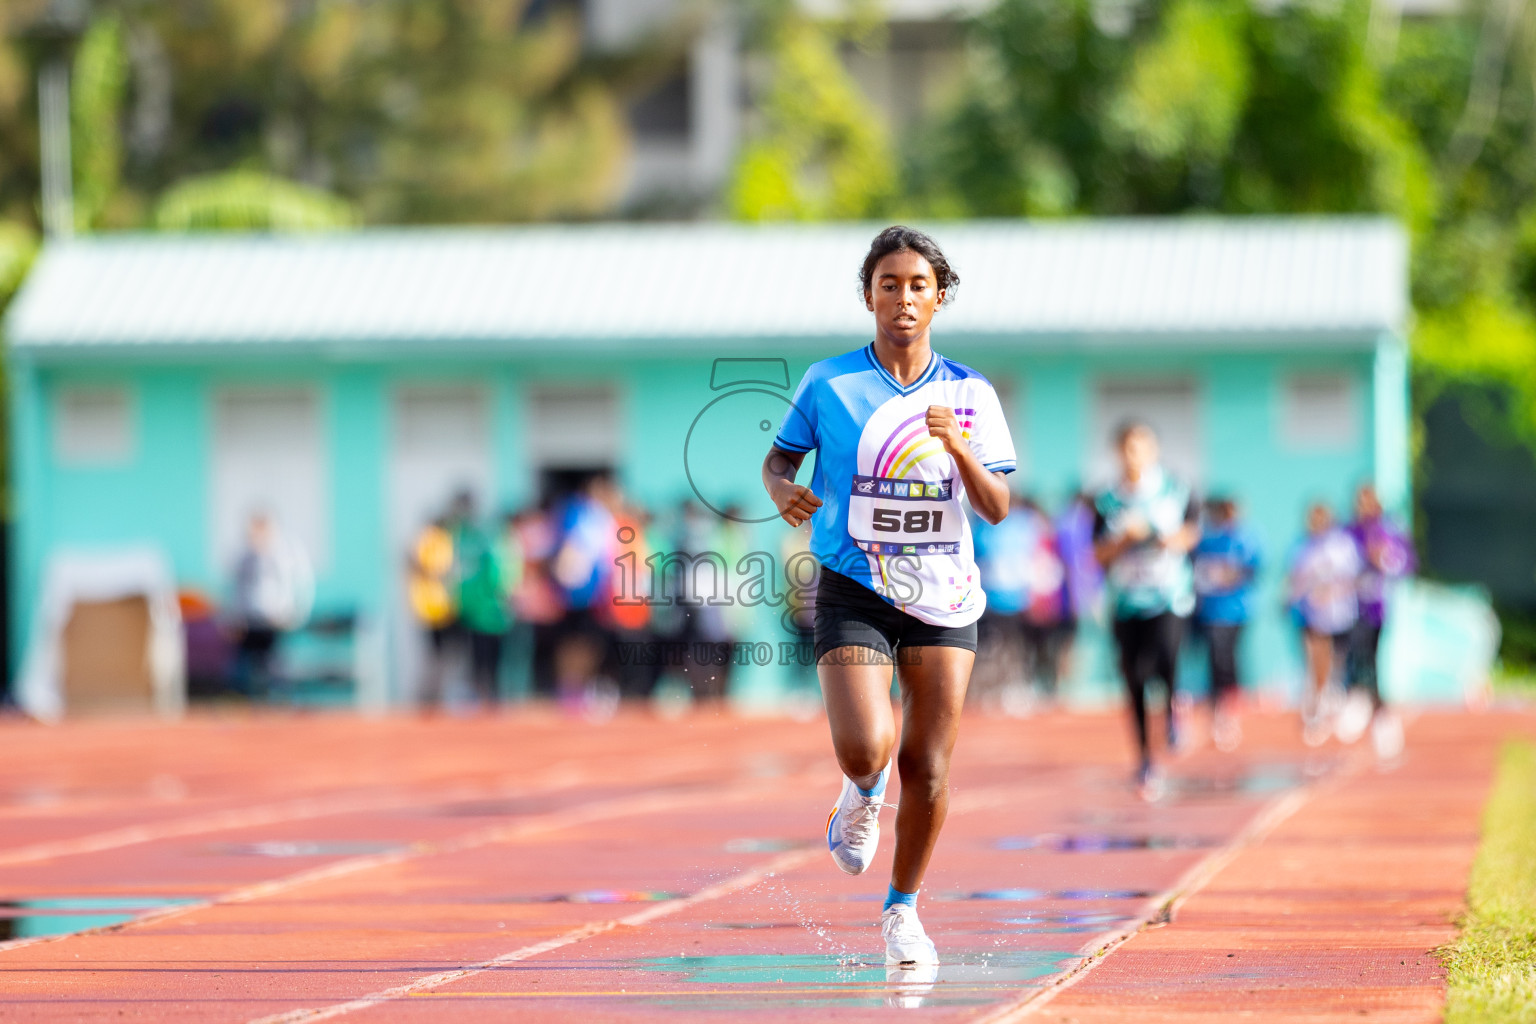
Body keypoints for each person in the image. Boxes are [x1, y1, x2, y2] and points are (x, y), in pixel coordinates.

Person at [762, 226, 1016, 970]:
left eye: (917, 285)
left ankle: (903, 912)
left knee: (929, 766)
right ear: (868, 295)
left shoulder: (970, 391)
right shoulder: (828, 382)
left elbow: (997, 506)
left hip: (943, 594)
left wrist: (959, 445)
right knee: (866, 746)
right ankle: (860, 791)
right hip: (853, 582)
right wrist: (783, 491)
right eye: (889, 284)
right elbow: (779, 458)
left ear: (940, 297)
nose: (903, 298)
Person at [1093, 422, 1199, 800]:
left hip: (1169, 595)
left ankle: (1171, 711)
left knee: (1167, 660)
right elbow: (1098, 553)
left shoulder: (1176, 489)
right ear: (1118, 452)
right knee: (1134, 679)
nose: (1134, 455)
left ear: (1153, 450)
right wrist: (1124, 539)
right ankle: (1145, 761)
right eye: (1127, 448)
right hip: (1126, 600)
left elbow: (1190, 534)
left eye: (1141, 447)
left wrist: (1156, 534)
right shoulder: (1106, 499)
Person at [1341, 484, 1413, 758]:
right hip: (1348, 608)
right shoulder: (1348, 532)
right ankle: (1364, 705)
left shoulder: (1388, 530)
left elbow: (1405, 563)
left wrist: (1383, 558)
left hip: (1376, 607)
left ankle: (1379, 715)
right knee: (1355, 658)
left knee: (1370, 659)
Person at [1286, 501, 1362, 746]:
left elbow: (1352, 579)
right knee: (1317, 660)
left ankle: (1333, 700)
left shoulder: (1342, 546)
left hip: (1340, 616)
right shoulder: (1303, 547)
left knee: (1337, 663)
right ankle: (1317, 705)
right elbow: (1296, 579)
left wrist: (1331, 592)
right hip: (1313, 615)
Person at [1191, 496, 1262, 751]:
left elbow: (1254, 568)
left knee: (1228, 659)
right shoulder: (1205, 540)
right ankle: (1215, 710)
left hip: (1235, 611)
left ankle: (1230, 711)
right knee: (1213, 659)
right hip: (1209, 611)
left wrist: (1230, 574)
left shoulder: (1243, 539)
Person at [229, 512, 314, 697]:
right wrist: (235, 617)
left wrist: (296, 613)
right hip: (249, 620)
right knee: (247, 666)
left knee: (274, 665)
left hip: (277, 619)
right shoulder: (243, 557)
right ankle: (249, 702)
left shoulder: (285, 554)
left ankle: (278, 701)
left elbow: (301, 584)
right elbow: (237, 589)